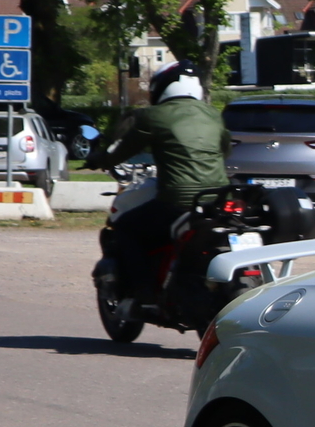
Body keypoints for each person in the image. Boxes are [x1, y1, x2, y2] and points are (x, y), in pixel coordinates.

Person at [89, 63, 232, 290]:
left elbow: (120, 149)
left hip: (178, 201)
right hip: (218, 200)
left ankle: (144, 293)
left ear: (162, 87)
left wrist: (98, 159)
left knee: (126, 228)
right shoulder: (213, 115)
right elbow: (225, 150)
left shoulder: (153, 116)